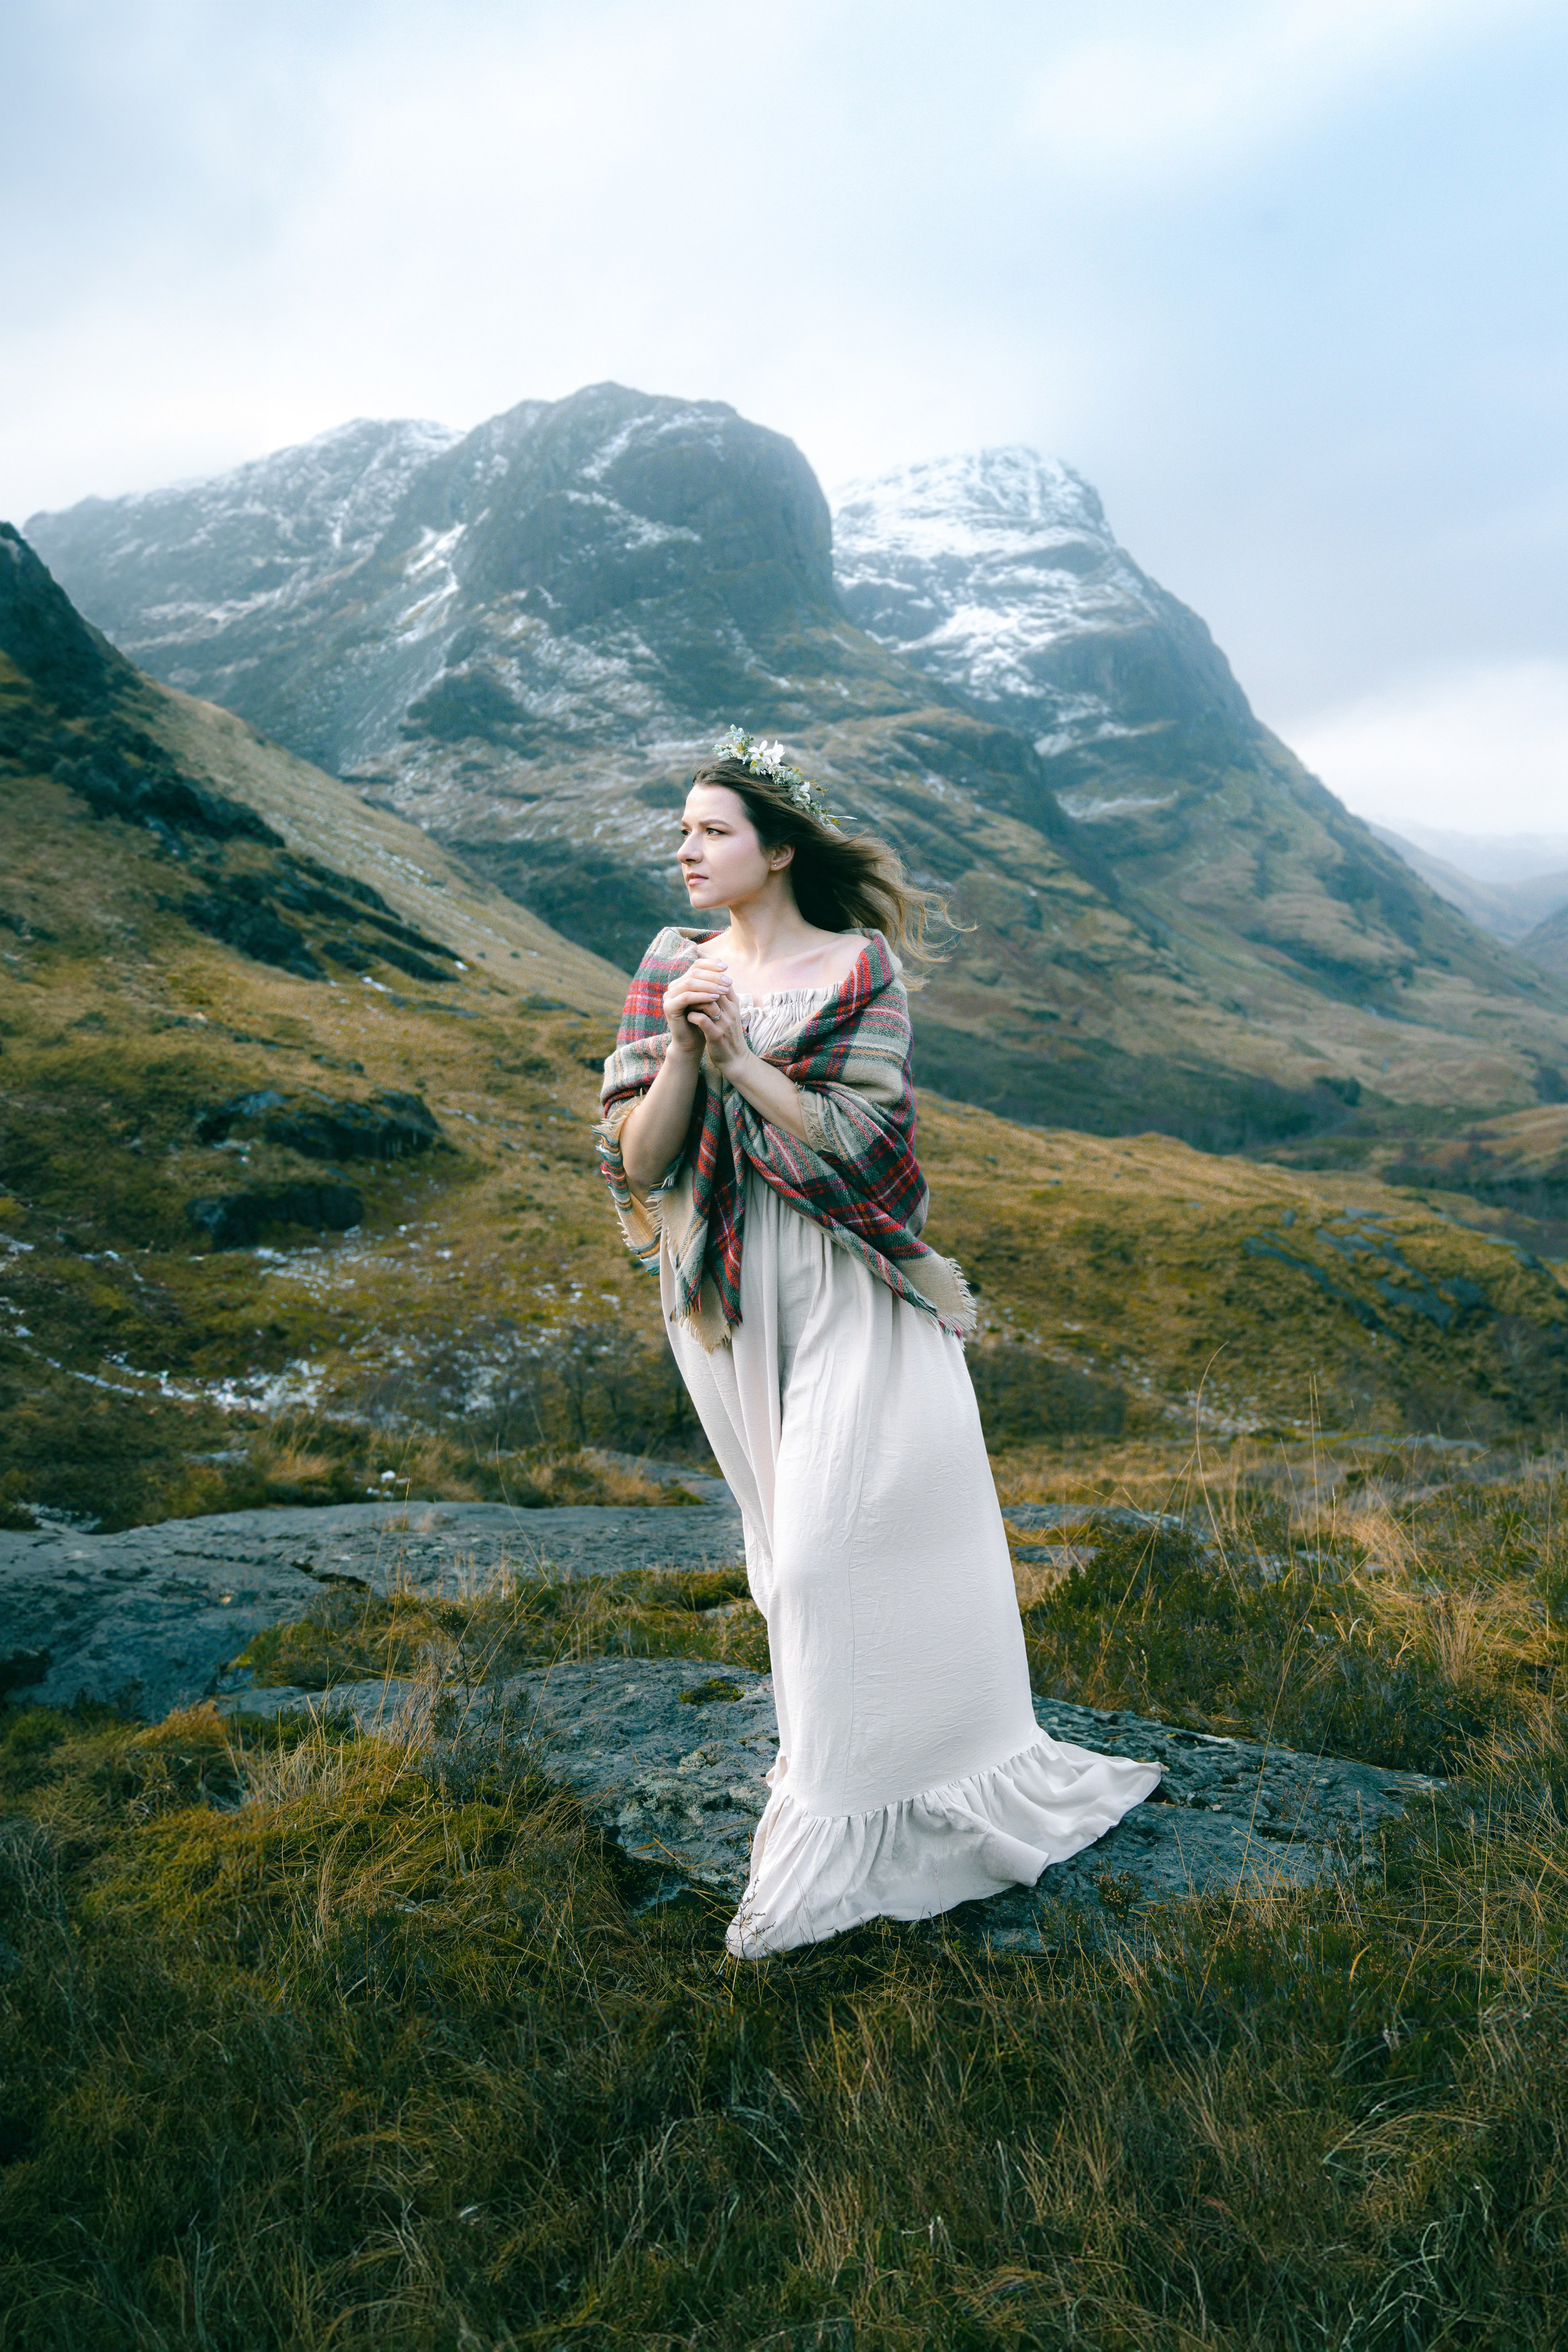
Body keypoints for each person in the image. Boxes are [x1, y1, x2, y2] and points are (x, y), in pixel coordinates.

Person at [597, 731, 1159, 1956]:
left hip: (845, 1280)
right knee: (776, 1555)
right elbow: (636, 1161)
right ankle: (855, 1765)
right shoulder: (665, 964)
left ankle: (853, 1828)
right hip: (721, 1295)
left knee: (818, 1558)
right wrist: (689, 1055)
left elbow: (860, 1147)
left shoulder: (859, 966)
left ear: (777, 848)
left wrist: (743, 1058)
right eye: (682, 831)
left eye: (710, 830)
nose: (684, 850)